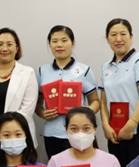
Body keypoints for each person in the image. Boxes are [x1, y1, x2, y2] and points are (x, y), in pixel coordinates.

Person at [99, 18, 139, 167]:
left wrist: (131, 125)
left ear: (131, 37)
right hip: (115, 134)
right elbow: (103, 101)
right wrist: (105, 126)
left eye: (123, 34)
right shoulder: (105, 67)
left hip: (138, 132)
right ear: (107, 39)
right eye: (113, 35)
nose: (118, 39)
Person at [36, 26, 100, 159]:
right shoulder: (42, 71)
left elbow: (95, 101)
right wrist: (42, 113)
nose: (59, 45)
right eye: (54, 41)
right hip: (52, 133)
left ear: (73, 43)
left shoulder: (84, 70)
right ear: (49, 44)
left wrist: (83, 112)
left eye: (64, 40)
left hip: (79, 134)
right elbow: (37, 103)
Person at [0, 28, 39, 160]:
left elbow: (27, 110)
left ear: (17, 48)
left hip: (20, 140)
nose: (5, 48)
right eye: (0, 44)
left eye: (9, 44)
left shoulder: (27, 73)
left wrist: (5, 134)